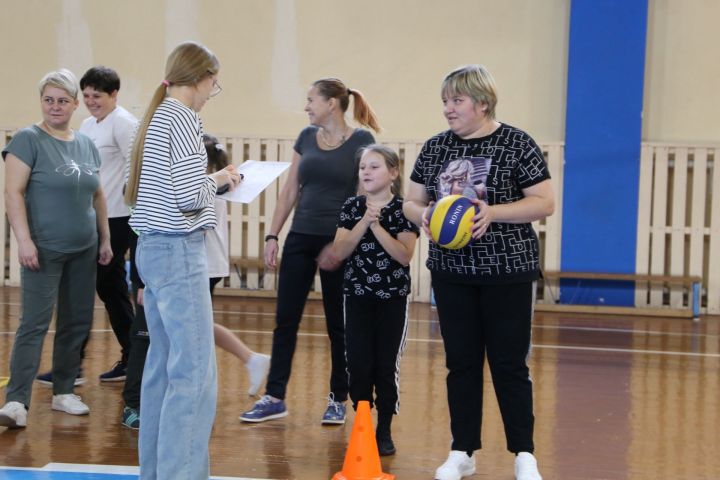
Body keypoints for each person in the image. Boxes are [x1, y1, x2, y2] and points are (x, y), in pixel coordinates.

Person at [403, 65, 554, 480]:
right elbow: (410, 202)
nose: (448, 109)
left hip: (508, 271)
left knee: (509, 364)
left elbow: (543, 203)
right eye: (445, 102)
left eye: (457, 101)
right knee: (461, 363)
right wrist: (427, 212)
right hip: (452, 272)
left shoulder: (516, 142)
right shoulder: (435, 148)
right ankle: (462, 450)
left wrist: (494, 212)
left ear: (482, 103)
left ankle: (524, 454)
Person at [125, 41, 241, 479]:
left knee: (160, 370)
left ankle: (156, 472)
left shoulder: (156, 117)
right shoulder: (186, 120)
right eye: (215, 83)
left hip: (151, 250)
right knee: (194, 378)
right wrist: (223, 183)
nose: (214, 91)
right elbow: (189, 195)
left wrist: (212, 178)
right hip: (178, 250)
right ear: (203, 78)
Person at [240, 78, 380, 424]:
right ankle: (275, 396)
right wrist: (273, 235)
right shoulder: (305, 138)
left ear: (332, 103)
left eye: (311, 100)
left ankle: (337, 398)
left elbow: (365, 196)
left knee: (338, 325)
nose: (306, 106)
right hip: (300, 238)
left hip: (339, 242)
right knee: (285, 320)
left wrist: (342, 243)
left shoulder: (362, 141)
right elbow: (290, 191)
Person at [0, 69, 112, 429]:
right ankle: (17, 401)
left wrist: (105, 238)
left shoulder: (85, 143)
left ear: (75, 105)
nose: (55, 106)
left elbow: (98, 195)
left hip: (84, 248)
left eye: (63, 100)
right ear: (42, 102)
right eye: (49, 99)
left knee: (76, 320)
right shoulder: (27, 140)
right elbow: (13, 193)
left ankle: (64, 391)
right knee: (33, 324)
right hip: (43, 250)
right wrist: (24, 241)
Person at [34, 66, 139, 387]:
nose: (92, 101)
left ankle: (72, 364)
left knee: (86, 284)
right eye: (88, 95)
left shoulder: (124, 123)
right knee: (110, 288)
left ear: (114, 95)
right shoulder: (88, 124)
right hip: (95, 216)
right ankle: (133, 357)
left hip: (120, 218)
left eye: (98, 96)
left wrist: (124, 200)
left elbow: (134, 167)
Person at [331, 144, 418, 455]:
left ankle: (384, 429)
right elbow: (339, 251)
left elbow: (404, 255)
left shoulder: (405, 210)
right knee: (357, 364)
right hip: (356, 297)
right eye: (363, 167)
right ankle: (363, 422)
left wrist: (377, 225)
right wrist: (363, 221)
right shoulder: (352, 207)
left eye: (374, 166)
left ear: (393, 173)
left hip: (392, 299)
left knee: (385, 365)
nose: (366, 172)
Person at [203, 133, 270, 396]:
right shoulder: (217, 183)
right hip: (210, 263)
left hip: (206, 264)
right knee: (201, 324)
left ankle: (247, 360)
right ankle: (251, 359)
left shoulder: (213, 185)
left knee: (197, 327)